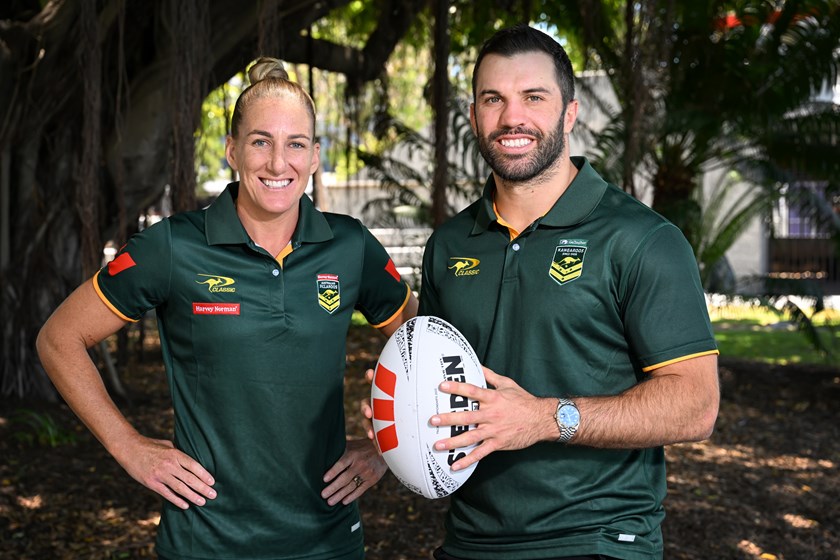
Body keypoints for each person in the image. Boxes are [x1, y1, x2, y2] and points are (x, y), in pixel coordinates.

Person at [37, 57, 417, 560]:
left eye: (295, 144)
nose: (278, 164)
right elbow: (58, 339)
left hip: (326, 539)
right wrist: (126, 445)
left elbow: (421, 347)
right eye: (261, 142)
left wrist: (388, 450)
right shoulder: (173, 247)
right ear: (232, 151)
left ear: (316, 155)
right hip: (206, 539)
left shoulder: (351, 246)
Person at [418, 24, 720, 560]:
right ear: (474, 117)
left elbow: (695, 406)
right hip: (470, 541)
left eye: (534, 97)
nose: (513, 118)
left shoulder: (642, 239)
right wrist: (400, 414)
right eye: (494, 99)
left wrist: (543, 417)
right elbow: (446, 383)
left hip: (599, 539)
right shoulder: (448, 244)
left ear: (570, 114)